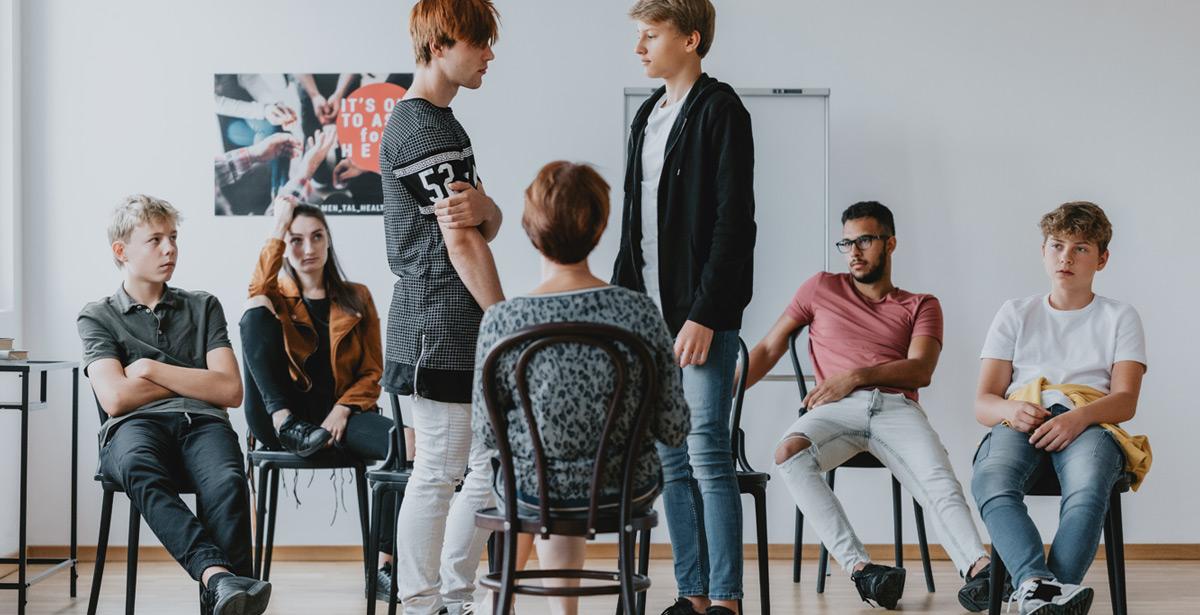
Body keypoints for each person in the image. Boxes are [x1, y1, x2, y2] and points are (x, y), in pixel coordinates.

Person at [742, 202, 993, 610]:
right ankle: (863, 571)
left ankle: (980, 569)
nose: (854, 251)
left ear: (889, 243)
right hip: (833, 411)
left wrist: (856, 376)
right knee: (788, 452)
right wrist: (722, 396)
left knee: (938, 481)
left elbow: (920, 370)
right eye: (847, 242)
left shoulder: (921, 304)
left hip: (896, 409)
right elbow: (769, 347)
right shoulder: (820, 287)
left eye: (865, 240)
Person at [473, 162, 691, 615]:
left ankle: (499, 599)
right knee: (561, 479)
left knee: (531, 479)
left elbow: (488, 436)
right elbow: (674, 427)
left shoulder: (503, 321)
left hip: (532, 490)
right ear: (600, 225)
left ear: (530, 228)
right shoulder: (638, 313)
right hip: (621, 488)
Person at [611, 2, 756, 614]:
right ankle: (692, 595)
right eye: (638, 37)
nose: (639, 48)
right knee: (670, 460)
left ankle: (724, 599)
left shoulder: (721, 110)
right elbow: (634, 228)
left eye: (651, 36)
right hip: (648, 316)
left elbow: (734, 224)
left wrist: (706, 314)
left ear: (690, 39)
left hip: (698, 317)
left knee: (706, 456)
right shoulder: (648, 114)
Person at [78, 194, 269, 615]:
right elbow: (115, 399)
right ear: (121, 251)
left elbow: (230, 392)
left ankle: (223, 593)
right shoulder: (97, 316)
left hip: (203, 425)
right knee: (137, 467)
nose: (170, 250)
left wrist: (149, 368)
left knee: (227, 483)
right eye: (156, 240)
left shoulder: (203, 306)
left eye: (174, 238)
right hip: (134, 429)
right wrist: (194, 379)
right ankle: (218, 576)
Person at [380, 1, 503, 614]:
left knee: (482, 464)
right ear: (442, 42)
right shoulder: (421, 128)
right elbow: (460, 238)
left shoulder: (445, 126)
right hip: (436, 325)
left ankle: (453, 599)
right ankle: (422, 601)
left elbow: (483, 219)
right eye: (480, 42)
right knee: (440, 469)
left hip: (459, 322)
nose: (489, 54)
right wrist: (506, 318)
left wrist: (489, 211)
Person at [971, 201, 1147, 615]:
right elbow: (984, 402)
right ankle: (1038, 586)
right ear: (1043, 251)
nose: (1066, 257)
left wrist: (1079, 417)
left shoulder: (1120, 316)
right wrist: (1011, 412)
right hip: (1022, 417)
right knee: (991, 480)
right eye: (1057, 245)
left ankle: (1041, 596)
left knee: (1087, 489)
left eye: (1081, 248)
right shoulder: (1015, 312)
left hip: (1089, 421)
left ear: (1102, 259)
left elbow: (1125, 400)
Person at [238, 194, 399, 602]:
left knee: (407, 445)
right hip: (280, 417)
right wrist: (277, 226)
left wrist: (344, 409)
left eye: (316, 237)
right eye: (295, 240)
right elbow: (256, 286)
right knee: (253, 308)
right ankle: (284, 420)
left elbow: (372, 371)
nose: (308, 249)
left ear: (328, 241)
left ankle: (383, 566)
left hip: (338, 415)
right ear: (284, 245)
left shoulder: (357, 297)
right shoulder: (274, 295)